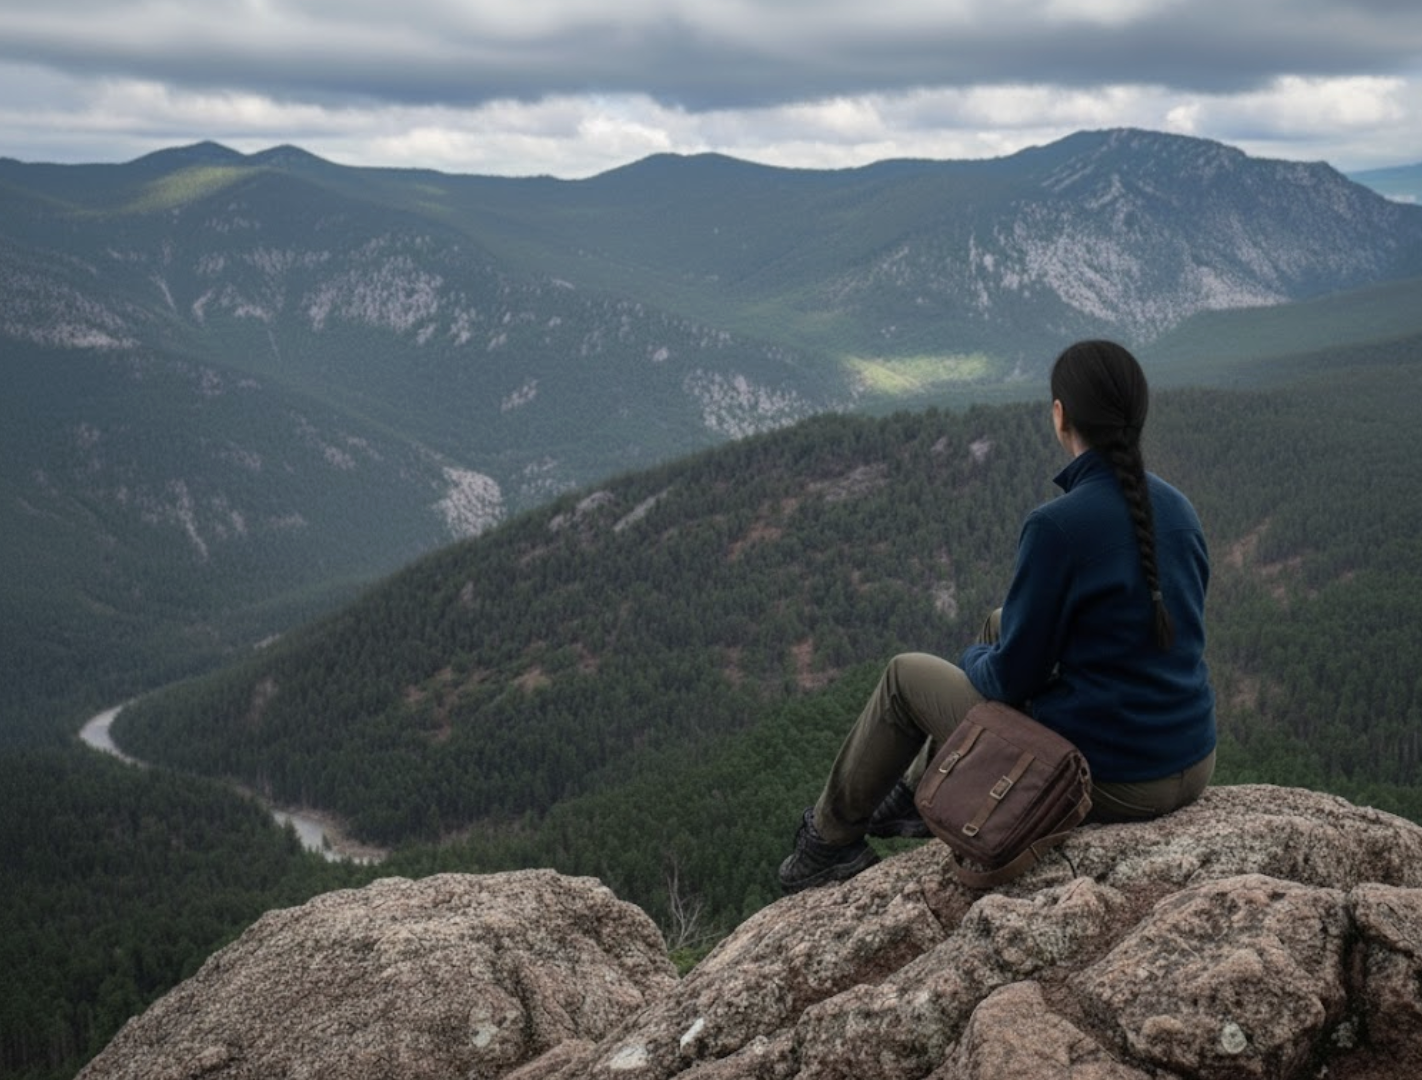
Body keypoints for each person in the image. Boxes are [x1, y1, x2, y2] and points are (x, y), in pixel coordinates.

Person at [779, 339, 1217, 893]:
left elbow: (1014, 677)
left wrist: (974, 659)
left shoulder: (1057, 526)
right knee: (999, 619)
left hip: (1110, 779)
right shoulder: (1179, 509)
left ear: (1061, 416)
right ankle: (916, 798)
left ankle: (828, 843)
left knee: (905, 676)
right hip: (1192, 761)